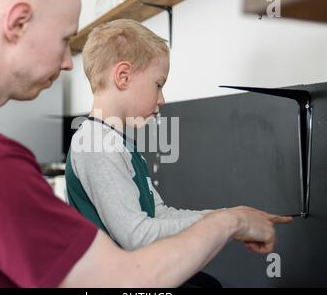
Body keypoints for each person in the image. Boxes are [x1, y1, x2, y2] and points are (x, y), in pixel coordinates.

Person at [0, 0, 293, 288]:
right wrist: (231, 221)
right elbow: (122, 279)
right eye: (64, 40)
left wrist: (224, 217)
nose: (70, 62)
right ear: (17, 23)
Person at [67, 19, 222, 251]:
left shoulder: (117, 142)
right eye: (158, 85)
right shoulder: (96, 145)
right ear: (123, 77)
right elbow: (137, 235)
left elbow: (157, 214)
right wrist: (226, 225)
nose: (162, 99)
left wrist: (222, 217)